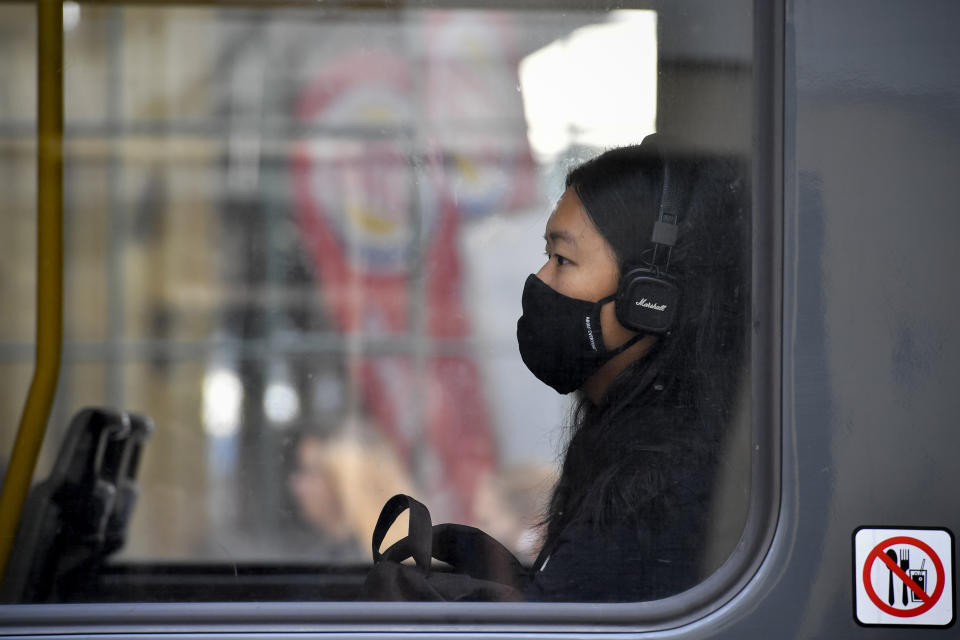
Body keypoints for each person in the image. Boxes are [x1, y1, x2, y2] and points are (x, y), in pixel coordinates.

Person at [516, 135, 748, 601]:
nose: (539, 281)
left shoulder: (660, 492)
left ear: (650, 300)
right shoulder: (628, 443)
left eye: (563, 259)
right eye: (547, 256)